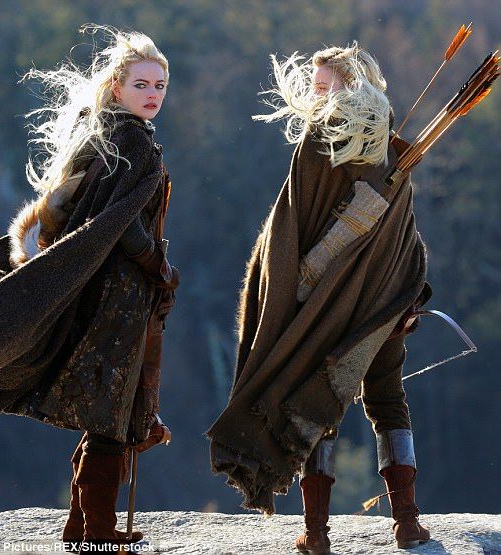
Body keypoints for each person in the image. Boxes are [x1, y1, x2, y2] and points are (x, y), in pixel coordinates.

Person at [0, 26, 177, 554]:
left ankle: (82, 527)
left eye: (160, 84)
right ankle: (98, 533)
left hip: (99, 289)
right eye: (142, 84)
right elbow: (123, 224)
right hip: (117, 298)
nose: (153, 94)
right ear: (117, 87)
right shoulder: (133, 142)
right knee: (111, 411)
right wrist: (158, 264)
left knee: (106, 408)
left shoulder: (107, 134)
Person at [206, 43, 432, 554]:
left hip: (335, 307)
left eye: (326, 85)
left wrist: (293, 287)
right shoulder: (391, 148)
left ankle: (317, 534)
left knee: (316, 404)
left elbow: (301, 227)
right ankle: (407, 523)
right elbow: (400, 236)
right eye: (316, 85)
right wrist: (407, 292)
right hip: (382, 308)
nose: (317, 94)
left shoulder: (323, 142)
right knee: (388, 401)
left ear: (353, 86)